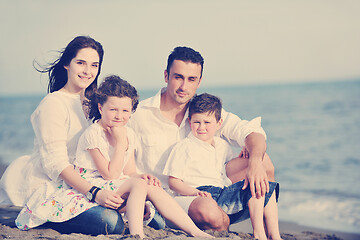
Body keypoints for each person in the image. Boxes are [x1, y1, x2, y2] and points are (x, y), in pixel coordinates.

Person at [15, 76, 212, 239]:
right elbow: (110, 174)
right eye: (113, 110)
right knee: (138, 187)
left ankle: (194, 231)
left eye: (125, 111)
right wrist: (119, 144)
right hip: (93, 184)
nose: (119, 116)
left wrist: (142, 176)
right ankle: (137, 235)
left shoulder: (129, 133)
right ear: (101, 108)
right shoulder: (94, 133)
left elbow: (129, 172)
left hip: (115, 182)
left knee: (149, 185)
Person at [128, 46, 277, 231]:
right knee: (211, 213)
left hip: (211, 188)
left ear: (199, 81)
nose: (184, 87)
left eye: (191, 79)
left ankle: (269, 234)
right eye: (178, 77)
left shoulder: (203, 111)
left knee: (264, 162)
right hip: (168, 198)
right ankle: (221, 221)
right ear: (166, 76)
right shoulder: (138, 115)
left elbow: (251, 132)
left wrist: (254, 162)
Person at [0, 36, 125, 235]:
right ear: (67, 64)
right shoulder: (53, 103)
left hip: (88, 181)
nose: (88, 71)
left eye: (94, 65)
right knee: (110, 222)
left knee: (154, 219)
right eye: (81, 63)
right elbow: (56, 164)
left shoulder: (97, 104)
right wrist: (94, 193)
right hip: (51, 184)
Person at [163, 93, 281, 240]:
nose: (202, 127)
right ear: (189, 121)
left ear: (219, 124)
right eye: (197, 122)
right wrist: (193, 192)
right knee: (210, 205)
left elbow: (230, 165)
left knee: (260, 185)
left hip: (222, 192)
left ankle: (268, 234)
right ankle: (259, 234)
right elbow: (173, 182)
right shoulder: (184, 147)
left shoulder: (221, 145)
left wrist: (246, 149)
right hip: (198, 193)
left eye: (207, 122)